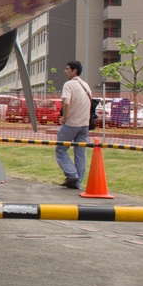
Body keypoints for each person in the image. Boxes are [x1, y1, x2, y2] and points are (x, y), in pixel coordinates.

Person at [56, 60, 91, 189]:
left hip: (71, 123)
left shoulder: (69, 85)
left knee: (60, 149)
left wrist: (64, 117)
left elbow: (66, 103)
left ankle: (72, 175)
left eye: (67, 69)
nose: (65, 71)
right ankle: (77, 182)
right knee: (81, 152)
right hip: (84, 124)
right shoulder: (86, 85)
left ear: (74, 71)